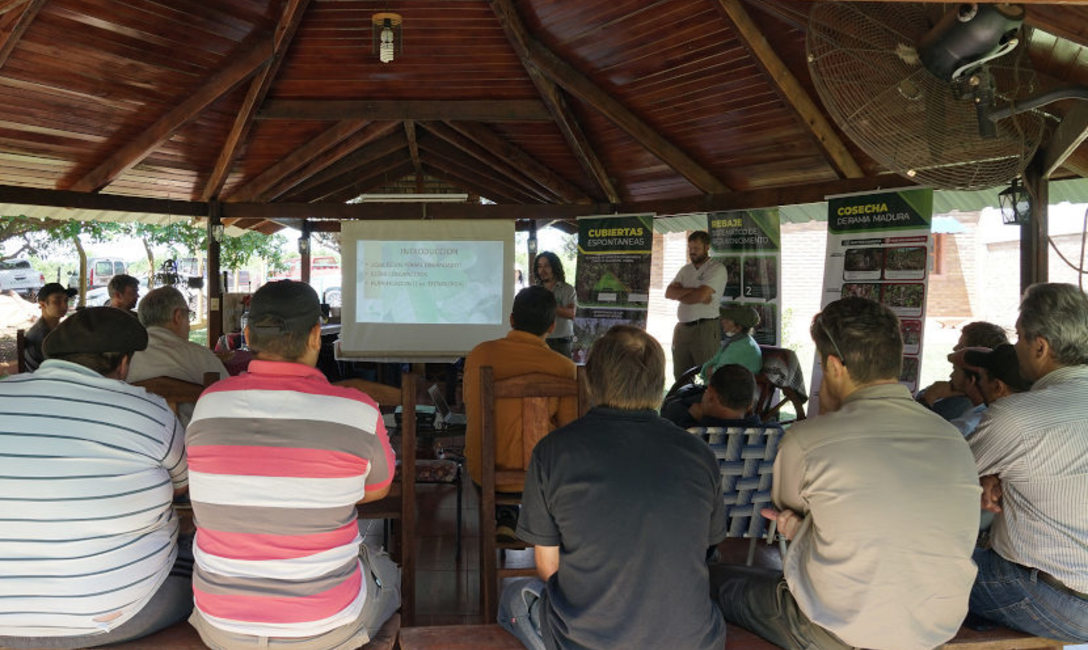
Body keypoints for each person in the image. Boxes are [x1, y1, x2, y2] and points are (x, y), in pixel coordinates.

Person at [711, 296, 981, 650]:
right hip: (935, 626)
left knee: (711, 580)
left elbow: (790, 514)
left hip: (838, 631)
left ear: (835, 366)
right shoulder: (952, 438)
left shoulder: (808, 440)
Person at [185, 280, 398, 649]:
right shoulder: (357, 410)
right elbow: (378, 488)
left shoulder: (209, 404)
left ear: (248, 334)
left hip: (221, 625)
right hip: (325, 625)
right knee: (391, 574)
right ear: (317, 335)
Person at [498, 325, 726, 650]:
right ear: (659, 386)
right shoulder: (700, 453)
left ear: (590, 381)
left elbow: (548, 567)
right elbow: (705, 550)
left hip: (586, 641)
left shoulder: (552, 451)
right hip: (692, 641)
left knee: (511, 597)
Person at [0, 307, 190, 647]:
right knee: (200, 554)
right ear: (123, 363)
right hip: (114, 616)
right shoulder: (148, 410)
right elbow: (183, 487)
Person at [966, 283, 1088, 642]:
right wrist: (997, 472)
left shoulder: (1017, 417)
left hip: (1054, 596)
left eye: (1018, 337)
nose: (1014, 347)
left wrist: (988, 473)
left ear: (1040, 346)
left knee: (918, 563)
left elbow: (942, 479)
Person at [463, 286, 578, 537]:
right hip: (542, 478)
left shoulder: (479, 354)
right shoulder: (565, 368)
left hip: (485, 471)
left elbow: (470, 407)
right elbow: (570, 430)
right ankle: (540, 529)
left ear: (512, 320)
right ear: (551, 326)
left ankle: (509, 516)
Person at [128, 286, 228, 425]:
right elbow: (228, 401)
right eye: (188, 316)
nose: (188, 325)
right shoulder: (201, 357)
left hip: (134, 441)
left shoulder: (123, 360)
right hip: (192, 443)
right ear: (178, 316)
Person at [666, 230, 728, 380]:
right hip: (682, 329)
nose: (692, 252)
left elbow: (700, 296)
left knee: (708, 375)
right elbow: (669, 293)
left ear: (707, 247)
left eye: (696, 248)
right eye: (690, 248)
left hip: (705, 328)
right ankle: (686, 403)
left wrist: (682, 294)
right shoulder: (685, 270)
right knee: (681, 377)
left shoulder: (717, 269)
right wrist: (694, 292)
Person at [917, 320, 1008, 421]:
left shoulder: (962, 405)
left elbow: (917, 425)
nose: (955, 348)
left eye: (961, 345)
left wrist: (932, 394)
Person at [945, 344, 1032, 436]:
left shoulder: (984, 425)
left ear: (998, 387)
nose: (980, 383)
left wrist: (929, 398)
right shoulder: (1030, 418)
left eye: (982, 378)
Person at [662, 363, 762, 429]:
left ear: (710, 395)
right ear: (750, 405)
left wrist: (690, 417)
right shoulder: (771, 436)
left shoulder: (690, 433)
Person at [700, 304, 762, 382]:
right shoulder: (741, 341)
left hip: (728, 391)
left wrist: (709, 370)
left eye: (728, 320)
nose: (722, 321)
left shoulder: (741, 347)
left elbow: (716, 373)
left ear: (739, 326)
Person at [22, 281, 75, 372]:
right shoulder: (43, 335)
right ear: (42, 305)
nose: (64, 306)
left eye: (66, 300)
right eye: (57, 301)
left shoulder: (53, 328)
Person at [534, 252, 576, 358]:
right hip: (539, 342)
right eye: (539, 266)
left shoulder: (567, 289)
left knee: (563, 374)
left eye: (547, 266)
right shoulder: (535, 290)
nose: (542, 270)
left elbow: (571, 314)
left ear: (554, 267)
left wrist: (546, 305)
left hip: (562, 343)